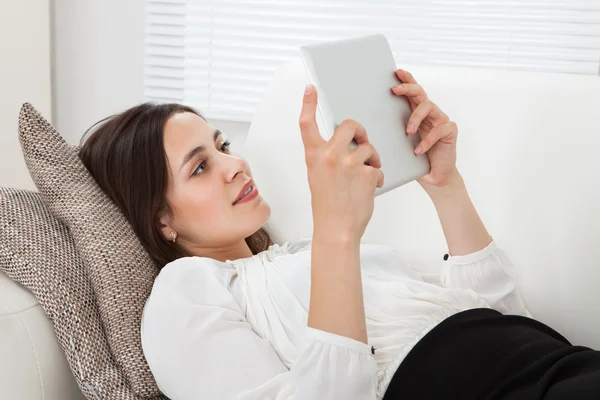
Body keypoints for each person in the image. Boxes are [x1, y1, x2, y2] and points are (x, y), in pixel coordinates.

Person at [79, 69, 600, 400]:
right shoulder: (185, 293)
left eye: (222, 144)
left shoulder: (300, 253)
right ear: (159, 220)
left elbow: (509, 320)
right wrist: (336, 232)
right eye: (199, 168)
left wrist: (446, 187)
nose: (235, 165)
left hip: (557, 361)